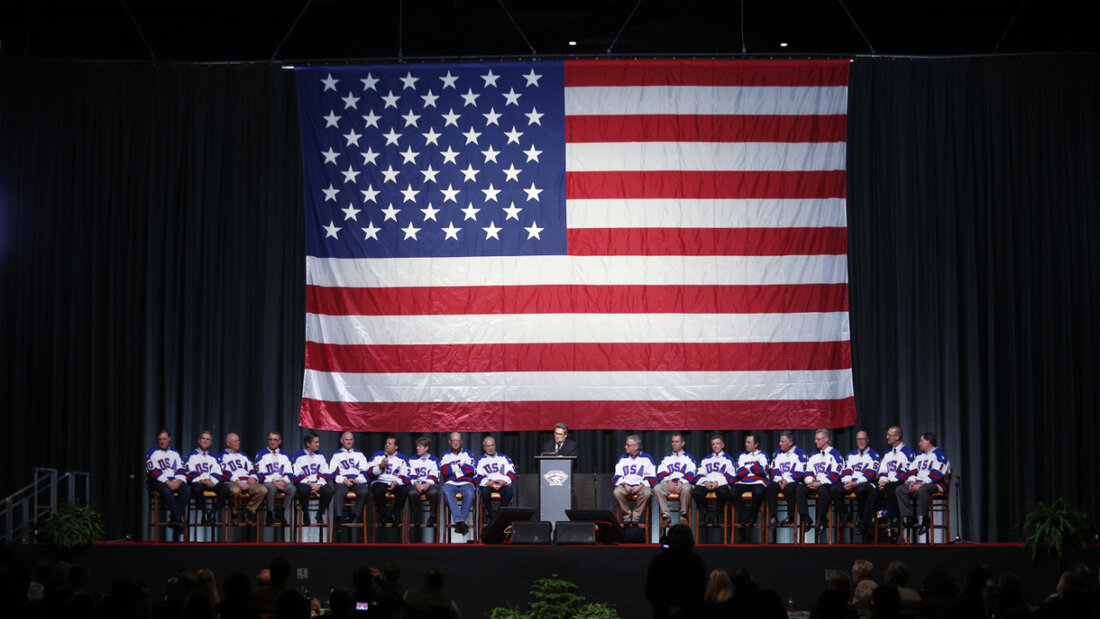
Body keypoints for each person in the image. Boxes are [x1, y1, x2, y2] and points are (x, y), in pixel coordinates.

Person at [858, 426, 914, 540]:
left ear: (897, 437)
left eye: (889, 435)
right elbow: (882, 470)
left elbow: (907, 471)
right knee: (874, 493)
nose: (887, 437)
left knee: (889, 487)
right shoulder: (888, 453)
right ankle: (865, 523)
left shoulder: (908, 452)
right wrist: (883, 480)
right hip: (887, 483)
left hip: (901, 482)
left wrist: (889, 481)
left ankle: (894, 519)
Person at [644, 524, 706, 619]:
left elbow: (651, 590)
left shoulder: (659, 561)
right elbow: (700, 591)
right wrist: (684, 609)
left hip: (663, 614)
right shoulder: (697, 562)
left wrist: (664, 608)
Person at [896, 432, 951, 537]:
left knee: (923, 489)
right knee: (900, 489)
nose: (919, 443)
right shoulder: (920, 456)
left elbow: (937, 474)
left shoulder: (939, 454)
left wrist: (921, 483)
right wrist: (911, 482)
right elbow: (911, 471)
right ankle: (910, 517)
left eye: (921, 441)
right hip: (919, 483)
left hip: (936, 484)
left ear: (929, 441)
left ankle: (925, 519)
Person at [830, 430, 879, 530]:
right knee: (834, 489)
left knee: (861, 489)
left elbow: (870, 474)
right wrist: (847, 482)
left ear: (867, 440)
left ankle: (861, 516)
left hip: (867, 483)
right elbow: (846, 470)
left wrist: (855, 483)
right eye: (858, 439)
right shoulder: (851, 455)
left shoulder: (874, 455)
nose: (860, 441)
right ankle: (845, 514)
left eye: (863, 439)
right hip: (852, 482)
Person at [145, 427, 191, 535]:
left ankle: (174, 519)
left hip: (174, 480)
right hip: (156, 482)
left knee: (187, 490)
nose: (162, 442)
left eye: (164, 439)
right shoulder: (152, 453)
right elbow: (153, 471)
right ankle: (179, 520)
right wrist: (167, 482)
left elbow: (181, 469)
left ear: (169, 438)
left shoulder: (175, 452)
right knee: (166, 490)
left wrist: (178, 481)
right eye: (160, 439)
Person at [218, 432, 268, 526]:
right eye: (235, 441)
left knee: (263, 490)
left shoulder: (244, 456)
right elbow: (224, 472)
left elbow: (252, 468)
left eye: (238, 441)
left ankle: (248, 511)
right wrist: (238, 482)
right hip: (233, 481)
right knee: (235, 490)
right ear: (228, 443)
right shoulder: (222, 456)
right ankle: (234, 514)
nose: (238, 443)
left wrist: (253, 477)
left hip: (247, 481)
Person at [184, 430, 229, 525]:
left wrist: (211, 480)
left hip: (211, 482)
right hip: (199, 482)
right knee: (196, 488)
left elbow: (218, 472)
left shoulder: (214, 457)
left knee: (225, 489)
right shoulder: (191, 456)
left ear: (210, 443)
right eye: (203, 438)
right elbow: (189, 472)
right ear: (199, 440)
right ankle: (204, 513)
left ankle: (212, 514)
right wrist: (202, 480)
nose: (205, 441)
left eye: (207, 439)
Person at [805, 428, 844, 537]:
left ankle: (822, 518)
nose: (815, 441)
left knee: (823, 489)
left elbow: (836, 474)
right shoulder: (813, 455)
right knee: (800, 489)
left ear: (826, 439)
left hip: (827, 484)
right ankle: (806, 518)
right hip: (814, 484)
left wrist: (820, 483)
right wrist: (810, 481)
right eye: (815, 439)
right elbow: (808, 471)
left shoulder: (835, 454)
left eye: (818, 439)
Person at [653, 432, 696, 530]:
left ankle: (683, 516)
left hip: (683, 484)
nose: (674, 444)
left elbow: (692, 473)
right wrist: (668, 481)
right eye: (673, 442)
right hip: (669, 484)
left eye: (677, 442)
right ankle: (666, 516)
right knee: (657, 488)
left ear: (683, 443)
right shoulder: (666, 458)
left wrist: (681, 482)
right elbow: (660, 473)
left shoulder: (689, 458)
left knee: (686, 488)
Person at [765, 430, 808, 528]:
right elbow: (774, 469)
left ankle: (791, 516)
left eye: (782, 441)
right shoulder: (777, 453)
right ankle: (773, 516)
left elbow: (800, 472)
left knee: (789, 488)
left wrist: (787, 480)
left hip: (794, 481)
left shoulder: (800, 453)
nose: (779, 443)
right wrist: (780, 480)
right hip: (780, 480)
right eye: (780, 441)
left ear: (790, 443)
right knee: (771, 487)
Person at [329, 431, 370, 531]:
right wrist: (344, 480)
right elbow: (332, 473)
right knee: (339, 492)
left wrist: (357, 480)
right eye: (346, 439)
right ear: (341, 441)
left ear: (353, 441)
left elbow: (365, 472)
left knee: (364, 491)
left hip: (356, 480)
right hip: (343, 480)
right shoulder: (336, 455)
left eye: (351, 439)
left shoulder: (359, 455)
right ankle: (338, 519)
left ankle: (354, 514)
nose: (349, 442)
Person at [254, 430, 297, 526]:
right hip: (268, 481)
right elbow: (260, 474)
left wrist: (284, 481)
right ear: (268, 440)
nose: (272, 442)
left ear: (279, 441)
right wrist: (274, 482)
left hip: (282, 482)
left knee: (292, 489)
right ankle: (270, 513)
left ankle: (281, 512)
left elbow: (290, 472)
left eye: (275, 440)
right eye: (270, 439)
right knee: (272, 488)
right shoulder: (261, 454)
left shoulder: (285, 454)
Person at [439, 432, 478, 537]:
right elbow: (444, 471)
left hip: (466, 482)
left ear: (461, 441)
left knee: (470, 493)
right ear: (449, 442)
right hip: (450, 483)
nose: (456, 443)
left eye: (457, 440)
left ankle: (459, 522)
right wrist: (461, 466)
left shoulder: (468, 453)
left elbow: (471, 469)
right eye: (453, 440)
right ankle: (461, 523)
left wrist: (453, 469)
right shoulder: (445, 455)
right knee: (447, 492)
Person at [692, 434, 736, 527]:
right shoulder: (706, 459)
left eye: (717, 444)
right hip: (707, 483)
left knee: (722, 492)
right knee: (696, 492)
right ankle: (706, 514)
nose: (715, 446)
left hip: (721, 484)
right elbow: (699, 473)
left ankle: (716, 515)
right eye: (713, 444)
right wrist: (705, 482)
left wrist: (718, 483)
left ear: (722, 445)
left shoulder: (728, 459)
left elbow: (731, 476)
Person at [612, 434, 657, 524]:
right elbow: (617, 476)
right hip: (625, 486)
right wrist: (625, 485)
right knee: (617, 492)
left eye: (628, 445)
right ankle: (627, 516)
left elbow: (651, 477)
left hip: (641, 486)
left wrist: (639, 487)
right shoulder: (622, 459)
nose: (625, 447)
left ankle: (636, 516)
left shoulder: (647, 458)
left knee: (647, 492)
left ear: (636, 447)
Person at [292, 431, 334, 525]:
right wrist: (310, 483)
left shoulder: (321, 455)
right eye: (316, 442)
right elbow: (296, 474)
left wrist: (319, 484)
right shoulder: (298, 455)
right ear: (308, 444)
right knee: (304, 490)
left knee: (329, 491)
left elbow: (326, 473)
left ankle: (320, 513)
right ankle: (305, 513)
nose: (318, 444)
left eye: (318, 442)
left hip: (317, 482)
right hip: (305, 483)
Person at [367, 436, 409, 526]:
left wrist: (396, 483)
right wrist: (380, 466)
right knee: (378, 490)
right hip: (381, 481)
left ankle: (394, 515)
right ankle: (383, 515)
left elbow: (405, 475)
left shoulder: (402, 458)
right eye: (386, 443)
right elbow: (369, 472)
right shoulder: (377, 455)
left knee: (403, 491)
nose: (387, 445)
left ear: (396, 447)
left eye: (390, 444)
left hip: (395, 482)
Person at [731, 431, 769, 526]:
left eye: (749, 442)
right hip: (742, 482)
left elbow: (762, 470)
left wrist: (747, 468)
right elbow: (739, 472)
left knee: (759, 492)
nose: (746, 444)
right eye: (746, 442)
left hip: (758, 482)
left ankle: (753, 515)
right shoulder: (742, 456)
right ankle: (744, 516)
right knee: (733, 492)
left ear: (756, 444)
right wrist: (754, 466)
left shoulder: (763, 455)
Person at [475, 435, 515, 521]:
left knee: (509, 491)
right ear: (484, 448)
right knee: (484, 492)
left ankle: (500, 515)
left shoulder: (504, 458)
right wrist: (488, 483)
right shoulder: (480, 460)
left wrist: (504, 481)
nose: (490, 448)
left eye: (492, 445)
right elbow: (477, 476)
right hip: (488, 484)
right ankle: (490, 515)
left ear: (495, 446)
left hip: (502, 483)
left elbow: (511, 472)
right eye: (488, 446)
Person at [407, 437, 441, 527]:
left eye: (420, 446)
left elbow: (435, 474)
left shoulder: (434, 460)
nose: (417, 448)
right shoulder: (412, 460)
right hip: (417, 484)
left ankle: (432, 516)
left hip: (429, 483)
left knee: (434, 492)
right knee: (412, 493)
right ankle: (415, 516)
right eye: (417, 446)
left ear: (426, 448)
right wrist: (417, 484)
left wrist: (427, 484)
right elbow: (411, 474)